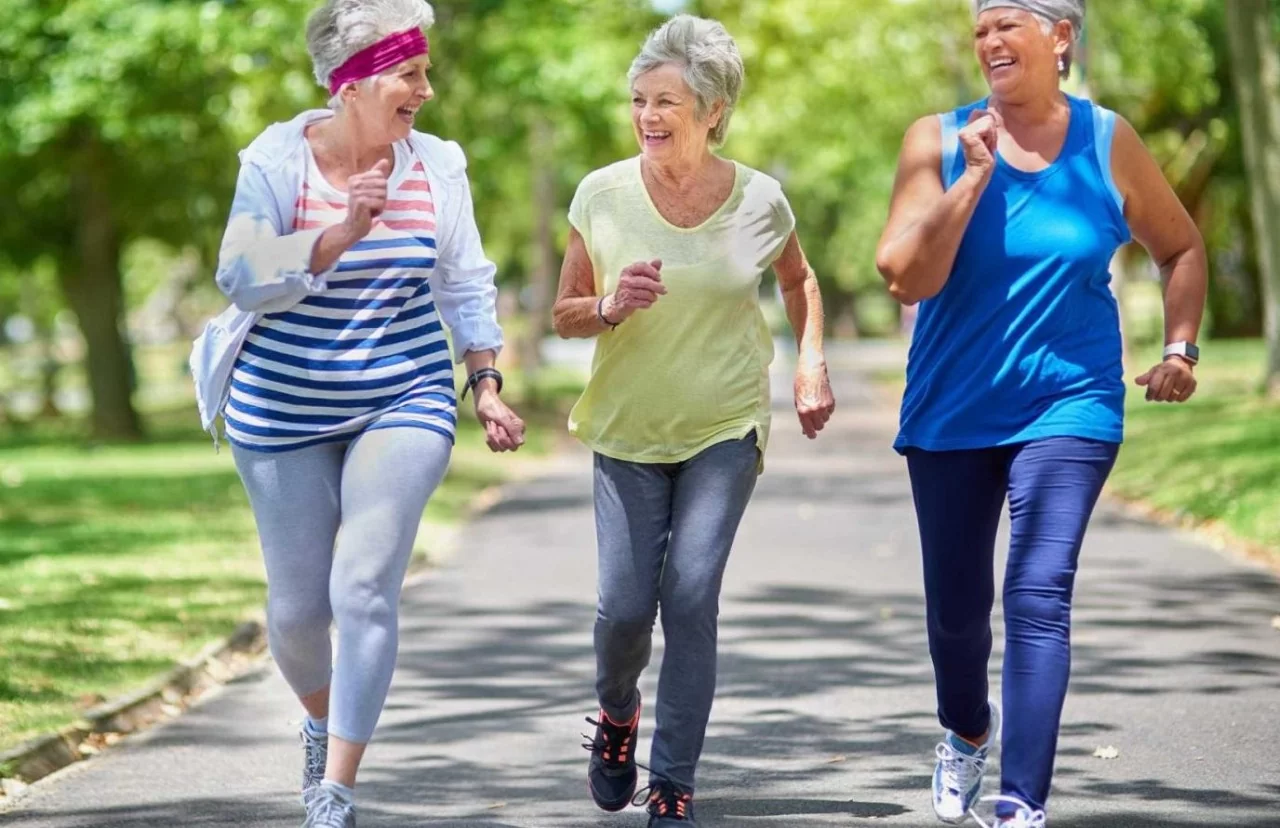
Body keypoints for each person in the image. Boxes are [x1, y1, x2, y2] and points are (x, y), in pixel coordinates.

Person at [188, 1, 524, 825]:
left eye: (424, 70)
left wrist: (484, 381)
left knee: (364, 586)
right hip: (281, 402)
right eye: (411, 73)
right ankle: (319, 718)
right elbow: (239, 274)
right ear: (353, 82)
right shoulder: (276, 160)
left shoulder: (436, 165)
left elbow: (464, 280)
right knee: (299, 609)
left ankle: (334, 790)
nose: (427, 89)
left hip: (401, 393)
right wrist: (338, 233)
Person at [874, 1, 1207, 825]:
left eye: (1007, 23)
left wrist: (1180, 348)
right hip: (953, 408)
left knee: (1038, 590)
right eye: (980, 27)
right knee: (957, 612)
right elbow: (904, 276)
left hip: (1072, 402)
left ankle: (1023, 802)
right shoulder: (935, 139)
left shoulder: (1107, 141)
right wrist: (974, 176)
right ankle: (965, 730)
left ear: (1062, 37)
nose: (988, 41)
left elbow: (1183, 247)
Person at [551, 14, 836, 828]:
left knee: (690, 593)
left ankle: (672, 780)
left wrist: (811, 361)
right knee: (623, 609)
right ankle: (616, 716)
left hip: (724, 423)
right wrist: (607, 306)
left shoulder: (755, 201)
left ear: (712, 110)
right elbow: (565, 312)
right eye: (639, 100)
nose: (647, 115)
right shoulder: (602, 197)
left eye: (666, 100)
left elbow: (799, 281)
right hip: (627, 428)